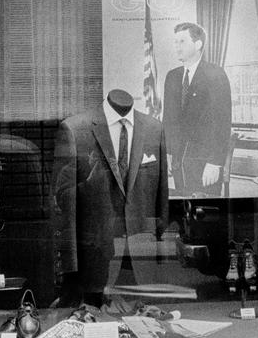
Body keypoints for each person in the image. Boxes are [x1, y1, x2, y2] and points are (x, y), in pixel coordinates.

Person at [51, 90, 169, 307]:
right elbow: (64, 201)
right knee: (93, 315)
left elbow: (161, 193)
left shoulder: (154, 129)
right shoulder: (75, 129)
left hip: (140, 247)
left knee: (143, 317)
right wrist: (70, 263)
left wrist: (160, 249)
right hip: (96, 248)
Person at [162, 22, 232, 197]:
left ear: (198, 44)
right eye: (175, 42)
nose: (177, 47)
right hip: (178, 162)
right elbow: (168, 120)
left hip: (205, 164)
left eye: (182, 41)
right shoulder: (172, 76)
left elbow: (222, 123)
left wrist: (215, 163)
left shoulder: (216, 75)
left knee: (205, 213)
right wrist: (168, 153)